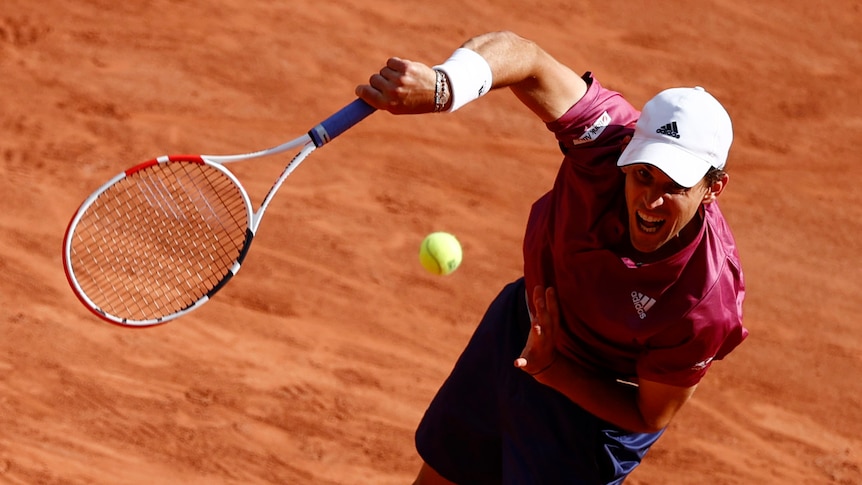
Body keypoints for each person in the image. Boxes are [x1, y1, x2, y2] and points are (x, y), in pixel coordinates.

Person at [356, 31, 748, 485]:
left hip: (594, 401)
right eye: (643, 175)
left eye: (675, 187)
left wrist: (555, 371)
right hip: (521, 326)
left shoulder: (706, 301)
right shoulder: (607, 141)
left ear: (712, 189)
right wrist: (447, 85)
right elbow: (524, 57)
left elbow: (650, 413)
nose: (650, 200)